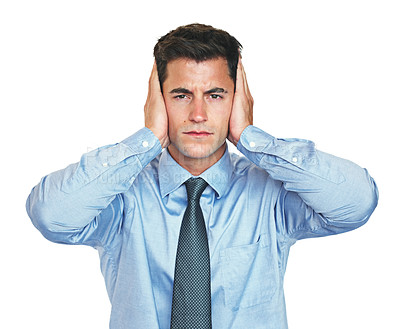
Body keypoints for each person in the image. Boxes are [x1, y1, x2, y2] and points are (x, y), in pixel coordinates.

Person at [26, 23, 379, 329]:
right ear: (157, 100)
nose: (198, 113)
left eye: (215, 94)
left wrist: (251, 138)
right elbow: (52, 215)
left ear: (236, 100)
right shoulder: (121, 195)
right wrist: (147, 139)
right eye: (181, 95)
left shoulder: (270, 195)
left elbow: (356, 203)